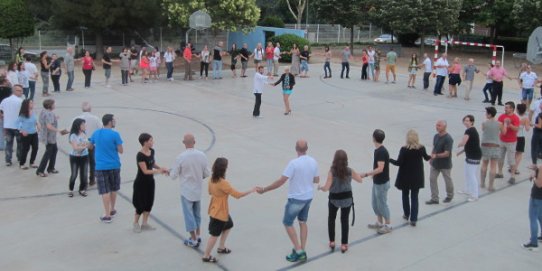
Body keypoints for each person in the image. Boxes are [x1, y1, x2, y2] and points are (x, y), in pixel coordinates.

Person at [257, 139, 319, 262]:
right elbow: (316, 180)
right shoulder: (313, 161)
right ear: (307, 149)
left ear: (296, 149)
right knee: (302, 222)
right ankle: (303, 248)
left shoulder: (293, 164)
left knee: (288, 222)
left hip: (296, 198)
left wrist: (265, 189)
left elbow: (281, 181)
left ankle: (298, 250)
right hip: (308, 197)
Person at [202, 157, 256, 263]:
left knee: (229, 224)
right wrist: (251, 190)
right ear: (223, 169)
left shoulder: (211, 179)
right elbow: (237, 195)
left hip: (215, 209)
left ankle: (221, 247)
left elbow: (210, 192)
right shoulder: (223, 183)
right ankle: (206, 255)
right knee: (214, 235)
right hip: (219, 213)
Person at [318, 149, 363, 253]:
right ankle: (344, 244)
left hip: (334, 199)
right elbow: (360, 180)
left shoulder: (332, 172)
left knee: (331, 219)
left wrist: (321, 187)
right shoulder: (349, 171)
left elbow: (326, 188)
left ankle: (332, 241)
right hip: (347, 199)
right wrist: (359, 175)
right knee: (344, 220)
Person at [170, 133, 210, 247]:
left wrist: (168, 172)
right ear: (194, 142)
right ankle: (198, 235)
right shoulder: (202, 155)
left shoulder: (181, 157)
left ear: (184, 143)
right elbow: (207, 172)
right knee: (197, 214)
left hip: (186, 191)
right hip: (197, 190)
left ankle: (193, 239)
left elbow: (173, 175)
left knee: (189, 215)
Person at [390, 129, 431, 226]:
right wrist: (432, 156)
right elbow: (426, 158)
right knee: (414, 197)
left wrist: (390, 160)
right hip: (417, 177)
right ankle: (414, 219)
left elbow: (399, 163)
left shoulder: (404, 149)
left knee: (405, 195)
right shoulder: (421, 148)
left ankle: (406, 213)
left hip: (405, 176)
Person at [89, 114, 124, 223]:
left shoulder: (96, 133)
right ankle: (112, 209)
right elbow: (121, 150)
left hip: (101, 166)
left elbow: (90, 146)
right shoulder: (115, 134)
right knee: (114, 188)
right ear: (110, 122)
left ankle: (107, 214)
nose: (115, 122)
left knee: (105, 190)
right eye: (114, 120)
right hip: (114, 165)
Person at [132, 133, 168, 233]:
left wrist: (160, 168)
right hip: (141, 183)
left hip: (150, 182)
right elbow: (145, 171)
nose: (152, 142)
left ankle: (144, 223)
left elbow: (152, 163)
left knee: (149, 202)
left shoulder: (152, 151)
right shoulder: (140, 155)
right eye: (150, 140)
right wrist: (159, 171)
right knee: (140, 204)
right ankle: (135, 223)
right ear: (145, 142)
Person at [362, 129, 392, 234]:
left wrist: (366, 174)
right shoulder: (378, 150)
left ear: (374, 138)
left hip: (382, 183)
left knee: (382, 204)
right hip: (377, 181)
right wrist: (374, 175)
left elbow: (380, 168)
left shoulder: (381, 152)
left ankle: (388, 224)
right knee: (375, 203)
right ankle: (379, 222)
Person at [36, 99, 68, 177]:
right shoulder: (48, 114)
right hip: (50, 137)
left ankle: (51, 168)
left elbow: (45, 120)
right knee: (48, 153)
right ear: (50, 105)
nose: (55, 105)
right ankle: (40, 170)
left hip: (49, 136)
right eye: (54, 104)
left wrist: (55, 118)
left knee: (54, 150)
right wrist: (58, 130)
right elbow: (49, 126)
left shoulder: (44, 111)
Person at [426, 120, 454, 204]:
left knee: (447, 179)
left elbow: (447, 153)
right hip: (435, 163)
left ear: (444, 127)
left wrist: (436, 156)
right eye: (437, 125)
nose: (437, 127)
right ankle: (434, 198)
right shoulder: (436, 136)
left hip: (445, 164)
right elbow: (434, 148)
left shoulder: (448, 139)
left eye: (439, 126)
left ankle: (450, 195)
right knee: (432, 179)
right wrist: (431, 157)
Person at [75, 102, 102, 186]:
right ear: (90, 109)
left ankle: (84, 181)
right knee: (92, 162)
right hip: (91, 143)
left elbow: (71, 129)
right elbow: (101, 129)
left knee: (83, 162)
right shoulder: (95, 118)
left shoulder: (77, 118)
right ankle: (92, 179)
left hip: (81, 143)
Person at [457, 115, 482, 201]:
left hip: (474, 156)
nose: (466, 122)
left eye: (468, 120)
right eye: (465, 120)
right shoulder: (472, 130)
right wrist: (461, 152)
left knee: (471, 175)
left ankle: (475, 195)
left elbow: (464, 142)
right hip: (470, 154)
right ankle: (467, 189)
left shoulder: (469, 131)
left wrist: (458, 144)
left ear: (472, 122)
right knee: (467, 173)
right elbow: (469, 144)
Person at [497, 101, 520, 184]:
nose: (505, 109)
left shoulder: (515, 118)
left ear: (512, 109)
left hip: (511, 141)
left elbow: (517, 129)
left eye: (507, 107)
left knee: (511, 159)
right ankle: (500, 172)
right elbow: (499, 126)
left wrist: (509, 124)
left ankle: (513, 176)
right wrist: (503, 125)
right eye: (505, 107)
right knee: (500, 157)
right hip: (502, 140)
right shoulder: (501, 116)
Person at [0, 84, 24, 166]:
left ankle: (8, 160)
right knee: (20, 143)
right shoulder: (20, 101)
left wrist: (3, 118)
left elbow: (1, 112)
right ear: (14, 91)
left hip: (7, 125)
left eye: (21, 90)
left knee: (9, 143)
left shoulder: (5, 100)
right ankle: (20, 157)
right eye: (19, 90)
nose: (21, 92)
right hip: (18, 126)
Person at [480, 107, 501, 192]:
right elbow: (504, 132)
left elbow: (483, 130)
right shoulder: (499, 123)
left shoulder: (484, 123)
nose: (485, 114)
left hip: (485, 144)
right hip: (495, 145)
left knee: (484, 163)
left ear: (489, 114)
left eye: (486, 113)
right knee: (493, 166)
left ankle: (482, 183)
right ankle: (491, 186)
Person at [522, 166, 542, 251]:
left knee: (533, 218)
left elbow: (539, 184)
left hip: (537, 197)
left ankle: (533, 243)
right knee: (540, 216)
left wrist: (534, 176)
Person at [68, 118, 89, 197]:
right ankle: (71, 189)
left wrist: (84, 145)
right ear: (78, 126)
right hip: (75, 157)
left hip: (84, 156)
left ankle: (82, 189)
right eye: (83, 124)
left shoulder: (84, 133)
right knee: (74, 174)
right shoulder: (73, 135)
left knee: (84, 174)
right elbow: (75, 147)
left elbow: (85, 143)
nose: (84, 126)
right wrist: (85, 146)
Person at [16, 99, 39, 170]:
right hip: (26, 134)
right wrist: (22, 130)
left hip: (34, 133)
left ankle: (32, 162)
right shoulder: (22, 114)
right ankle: (22, 163)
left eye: (32, 102)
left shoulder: (33, 112)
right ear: (27, 105)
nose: (33, 104)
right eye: (31, 103)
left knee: (35, 147)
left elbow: (36, 120)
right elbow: (17, 123)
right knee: (26, 149)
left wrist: (38, 124)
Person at [515, 104, 530, 176]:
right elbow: (527, 129)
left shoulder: (515, 116)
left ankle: (512, 166)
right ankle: (515, 168)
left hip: (514, 136)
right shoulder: (526, 118)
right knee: (519, 153)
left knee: (514, 152)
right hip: (520, 136)